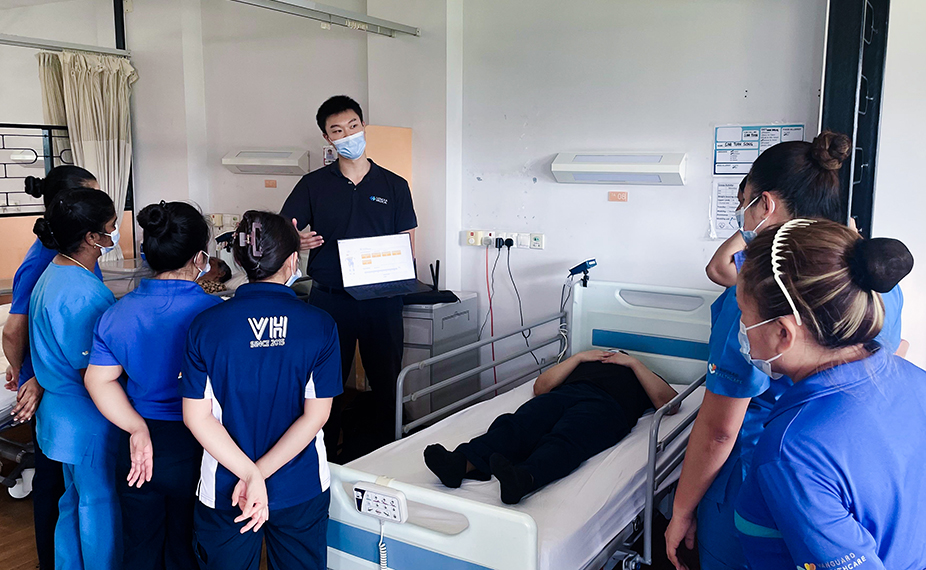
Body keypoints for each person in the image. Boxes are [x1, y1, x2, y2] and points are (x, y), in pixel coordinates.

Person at [665, 132, 905, 570]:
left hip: (758, 478)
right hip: (867, 480)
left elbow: (721, 429)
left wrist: (681, 511)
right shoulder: (866, 276)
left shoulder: (760, 297)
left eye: (746, 203)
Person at [733, 219, 923, 568]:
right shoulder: (914, 379)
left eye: (743, 314)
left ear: (783, 333)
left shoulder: (793, 452)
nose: (741, 328)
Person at [181, 211, 341, 570]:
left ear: (238, 260)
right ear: (292, 260)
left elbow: (196, 416)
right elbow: (317, 415)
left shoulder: (206, 326)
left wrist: (250, 475)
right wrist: (261, 474)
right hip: (300, 484)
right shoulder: (319, 326)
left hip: (227, 486)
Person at [85, 201, 222, 570]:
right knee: (188, 547)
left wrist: (136, 428)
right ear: (200, 257)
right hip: (199, 443)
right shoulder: (214, 314)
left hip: (137, 447)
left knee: (140, 547)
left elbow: (99, 380)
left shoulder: (117, 313)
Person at [281, 95, 417, 461]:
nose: (348, 135)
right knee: (327, 383)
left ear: (363, 127)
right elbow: (282, 231)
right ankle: (326, 457)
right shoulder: (313, 185)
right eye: (337, 131)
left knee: (387, 380)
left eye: (353, 127)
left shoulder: (394, 185)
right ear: (328, 139)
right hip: (331, 299)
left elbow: (407, 243)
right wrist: (298, 239)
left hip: (382, 300)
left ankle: (392, 453)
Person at [0, 165, 101, 570]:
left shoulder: (71, 256)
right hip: (56, 388)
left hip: (61, 385)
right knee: (56, 487)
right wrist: (28, 375)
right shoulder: (44, 262)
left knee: (70, 492)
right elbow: (15, 329)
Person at [423, 349, 679, 504]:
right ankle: (460, 463)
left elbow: (669, 403)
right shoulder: (583, 363)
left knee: (567, 438)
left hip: (607, 407)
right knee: (517, 426)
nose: (610, 357)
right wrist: (579, 357)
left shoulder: (639, 374)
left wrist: (633, 363)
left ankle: (524, 479)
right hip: (563, 395)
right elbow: (540, 388)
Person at [29, 187, 121, 570]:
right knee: (99, 510)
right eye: (112, 227)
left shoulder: (55, 272)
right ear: (92, 237)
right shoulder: (81, 293)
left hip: (60, 418)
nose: (114, 234)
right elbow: (95, 374)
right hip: (87, 419)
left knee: (73, 505)